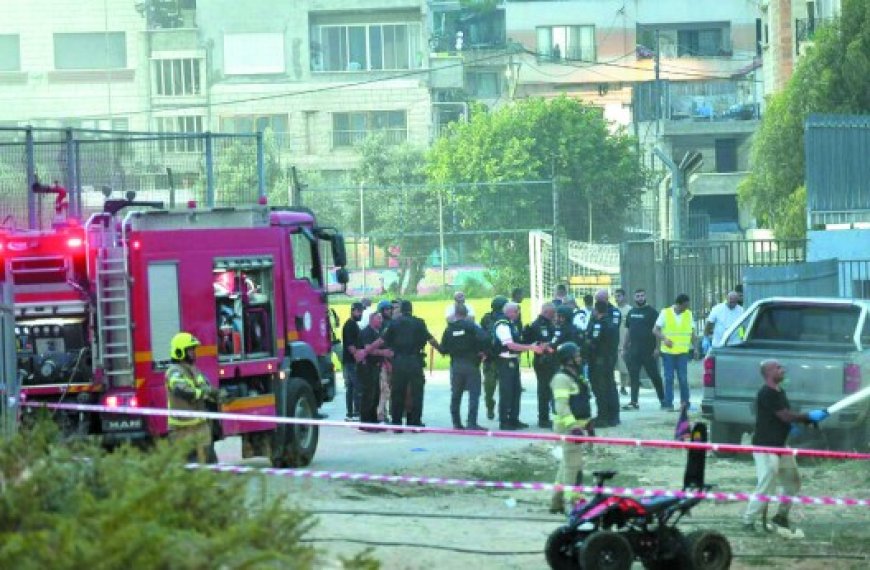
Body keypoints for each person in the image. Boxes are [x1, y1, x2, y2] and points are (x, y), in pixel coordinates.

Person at [742, 360, 829, 533]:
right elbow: (785, 416)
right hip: (765, 447)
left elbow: (785, 416)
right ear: (768, 372)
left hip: (781, 446)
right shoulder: (766, 393)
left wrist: (801, 424)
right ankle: (748, 521)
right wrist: (808, 417)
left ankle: (781, 517)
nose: (782, 370)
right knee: (767, 483)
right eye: (778, 368)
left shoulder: (780, 392)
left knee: (793, 483)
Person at [549, 342, 592, 514]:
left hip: (577, 427)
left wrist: (588, 423)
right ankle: (574, 502)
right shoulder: (561, 379)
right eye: (577, 355)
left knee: (566, 465)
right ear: (568, 359)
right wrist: (573, 427)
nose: (579, 358)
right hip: (567, 428)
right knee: (574, 466)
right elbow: (562, 406)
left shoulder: (575, 376)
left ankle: (556, 502)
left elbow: (581, 402)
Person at [383, 300, 440, 428]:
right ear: (411, 309)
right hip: (415, 361)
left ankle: (397, 422)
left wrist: (368, 350)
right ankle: (414, 422)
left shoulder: (394, 323)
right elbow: (430, 339)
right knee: (416, 393)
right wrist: (442, 350)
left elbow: (384, 340)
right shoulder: (419, 323)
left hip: (399, 361)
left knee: (397, 392)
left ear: (401, 310)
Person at [165, 332, 221, 463]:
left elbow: (206, 387)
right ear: (180, 352)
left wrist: (216, 395)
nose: (194, 353)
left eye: (193, 350)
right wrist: (201, 393)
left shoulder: (195, 370)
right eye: (190, 350)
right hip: (182, 431)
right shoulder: (174, 371)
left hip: (201, 428)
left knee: (211, 465)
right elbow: (180, 389)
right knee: (190, 469)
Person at [493, 302, 546, 430]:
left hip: (514, 360)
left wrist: (532, 343)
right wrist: (531, 348)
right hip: (505, 361)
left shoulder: (512, 325)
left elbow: (518, 342)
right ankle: (504, 421)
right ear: (509, 312)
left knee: (516, 391)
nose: (518, 314)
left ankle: (514, 419)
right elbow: (510, 345)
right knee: (506, 392)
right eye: (516, 311)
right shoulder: (503, 325)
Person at [440, 304, 487, 430]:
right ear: (467, 314)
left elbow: (443, 349)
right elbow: (485, 338)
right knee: (474, 394)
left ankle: (456, 422)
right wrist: (482, 351)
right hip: (471, 364)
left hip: (456, 364)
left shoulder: (449, 329)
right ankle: (472, 422)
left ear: (455, 314)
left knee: (456, 394)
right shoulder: (472, 327)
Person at [653, 294, 699, 411]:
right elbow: (655, 330)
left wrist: (696, 348)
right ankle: (668, 403)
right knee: (669, 378)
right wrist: (664, 339)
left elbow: (693, 333)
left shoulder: (688, 314)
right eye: (685, 305)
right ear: (679, 304)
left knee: (683, 378)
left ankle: (685, 403)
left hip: (682, 352)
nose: (687, 308)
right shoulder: (665, 313)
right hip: (668, 352)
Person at [622, 289, 665, 410]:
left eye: (642, 296)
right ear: (634, 298)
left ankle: (663, 400)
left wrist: (657, 348)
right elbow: (628, 331)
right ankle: (634, 402)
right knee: (634, 377)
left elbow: (658, 331)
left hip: (649, 351)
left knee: (654, 376)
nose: (640, 298)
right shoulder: (631, 312)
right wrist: (624, 348)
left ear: (645, 297)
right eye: (637, 296)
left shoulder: (652, 312)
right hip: (634, 351)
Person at [585, 301, 620, 427]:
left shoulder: (599, 324)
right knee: (610, 388)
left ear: (596, 310)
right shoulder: (612, 323)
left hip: (599, 361)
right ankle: (613, 416)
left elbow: (593, 342)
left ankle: (603, 417)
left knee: (600, 390)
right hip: (609, 360)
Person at [355, 312, 392, 429]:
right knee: (368, 394)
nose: (381, 321)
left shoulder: (378, 332)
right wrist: (384, 352)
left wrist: (385, 361)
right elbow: (367, 350)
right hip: (367, 367)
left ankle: (373, 419)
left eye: (381, 319)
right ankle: (365, 422)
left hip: (376, 366)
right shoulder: (367, 332)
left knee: (376, 394)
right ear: (372, 320)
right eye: (378, 318)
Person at [524, 302, 557, 428]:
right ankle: (543, 418)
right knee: (544, 391)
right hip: (543, 362)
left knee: (549, 390)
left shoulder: (548, 323)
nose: (554, 316)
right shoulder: (539, 325)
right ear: (546, 312)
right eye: (552, 313)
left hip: (550, 361)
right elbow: (544, 341)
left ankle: (546, 416)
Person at [480, 296, 508, 420]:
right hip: (490, 359)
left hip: (503, 358)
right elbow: (481, 335)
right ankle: (490, 407)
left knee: (505, 387)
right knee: (489, 387)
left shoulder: (507, 319)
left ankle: (504, 411)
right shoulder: (486, 318)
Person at [341, 302, 364, 421]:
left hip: (349, 361)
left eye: (362, 312)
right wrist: (359, 357)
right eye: (359, 311)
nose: (361, 314)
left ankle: (350, 413)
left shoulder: (353, 324)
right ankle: (356, 412)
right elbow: (350, 346)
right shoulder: (350, 325)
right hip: (351, 361)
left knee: (350, 387)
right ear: (353, 310)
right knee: (357, 386)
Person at [376, 300, 394, 423]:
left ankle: (386, 413)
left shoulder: (391, 323)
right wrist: (385, 360)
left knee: (389, 390)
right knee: (384, 389)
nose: (389, 311)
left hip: (391, 360)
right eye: (386, 309)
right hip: (383, 361)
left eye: (390, 309)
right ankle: (381, 414)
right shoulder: (382, 326)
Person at [614, 288, 632, 396]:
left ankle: (623, 386)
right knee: (616, 366)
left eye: (619, 296)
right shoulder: (613, 310)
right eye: (615, 296)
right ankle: (618, 385)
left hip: (625, 342)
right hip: (614, 342)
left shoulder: (629, 310)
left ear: (624, 297)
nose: (617, 298)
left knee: (624, 366)